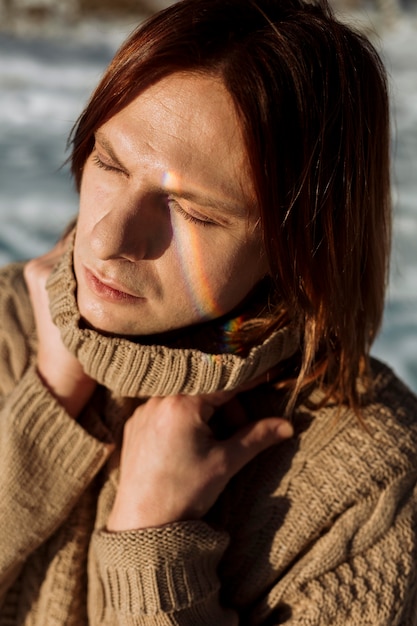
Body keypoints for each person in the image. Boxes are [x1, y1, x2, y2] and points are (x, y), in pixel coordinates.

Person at [0, 0, 416, 623]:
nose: (108, 239)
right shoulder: (11, 322)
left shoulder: (367, 482)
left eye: (193, 212)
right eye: (109, 162)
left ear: (299, 247)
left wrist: (152, 546)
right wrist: (46, 407)